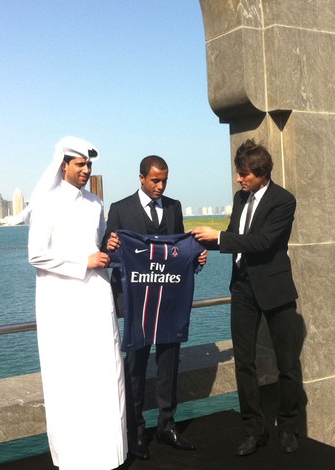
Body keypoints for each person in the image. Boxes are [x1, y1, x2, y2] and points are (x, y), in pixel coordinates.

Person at [192, 139, 302, 456]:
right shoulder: (241, 198)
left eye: (243, 174)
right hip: (241, 288)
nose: (239, 179)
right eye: (238, 173)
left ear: (260, 172)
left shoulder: (284, 201)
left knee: (288, 365)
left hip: (275, 290)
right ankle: (254, 430)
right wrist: (201, 243)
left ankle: (289, 428)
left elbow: (263, 242)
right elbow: (234, 237)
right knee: (244, 363)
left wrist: (220, 237)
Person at [27, 136, 127, 469]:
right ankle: (75, 459)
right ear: (64, 165)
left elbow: (96, 246)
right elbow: (37, 255)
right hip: (62, 303)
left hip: (97, 299)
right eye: (80, 164)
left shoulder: (96, 203)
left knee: (105, 373)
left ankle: (110, 455)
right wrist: (83, 261)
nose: (85, 170)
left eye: (89, 165)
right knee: (69, 378)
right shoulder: (46, 202)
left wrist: (107, 244)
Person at [104, 155, 206, 460]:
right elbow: (107, 253)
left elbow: (178, 252)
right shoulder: (120, 210)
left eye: (164, 180)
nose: (160, 186)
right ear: (141, 178)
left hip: (169, 302)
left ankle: (166, 424)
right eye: (155, 180)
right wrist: (107, 248)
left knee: (169, 363)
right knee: (134, 367)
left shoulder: (174, 207)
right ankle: (135, 431)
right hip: (136, 304)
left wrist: (195, 259)